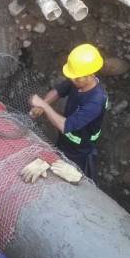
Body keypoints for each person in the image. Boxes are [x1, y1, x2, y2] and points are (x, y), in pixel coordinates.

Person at [27, 43, 108, 181]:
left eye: (76, 77)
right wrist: (43, 104)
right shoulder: (78, 80)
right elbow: (59, 91)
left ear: (90, 75)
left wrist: (44, 106)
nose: (72, 80)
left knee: (69, 176)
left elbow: (66, 126)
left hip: (79, 150)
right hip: (64, 141)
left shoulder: (96, 101)